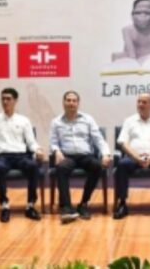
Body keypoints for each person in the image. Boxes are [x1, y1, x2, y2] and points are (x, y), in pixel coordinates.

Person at [0, 87, 45, 223]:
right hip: (3, 156)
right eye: (3, 99)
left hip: (21, 156)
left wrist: (38, 150)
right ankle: (4, 205)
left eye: (8, 99)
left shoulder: (24, 120)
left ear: (15, 101)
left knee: (33, 166)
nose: (5, 102)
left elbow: (31, 142)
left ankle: (30, 205)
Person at [49, 90, 111, 224]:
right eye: (68, 100)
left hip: (85, 156)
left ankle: (83, 204)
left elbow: (99, 139)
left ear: (78, 103)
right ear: (63, 103)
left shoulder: (88, 119)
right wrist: (57, 151)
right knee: (61, 168)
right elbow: (53, 142)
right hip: (67, 156)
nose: (71, 103)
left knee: (97, 166)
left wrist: (106, 154)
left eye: (74, 101)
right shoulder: (56, 122)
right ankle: (66, 207)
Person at [114, 92, 150, 219]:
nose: (140, 104)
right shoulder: (129, 121)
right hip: (133, 156)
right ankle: (122, 203)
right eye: (139, 102)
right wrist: (136, 156)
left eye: (144, 102)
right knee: (122, 165)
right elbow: (122, 142)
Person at [112, 0, 150, 64]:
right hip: (131, 58)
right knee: (117, 57)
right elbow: (131, 55)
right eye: (138, 13)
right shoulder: (127, 30)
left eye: (147, 13)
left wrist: (146, 60)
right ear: (132, 15)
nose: (143, 16)